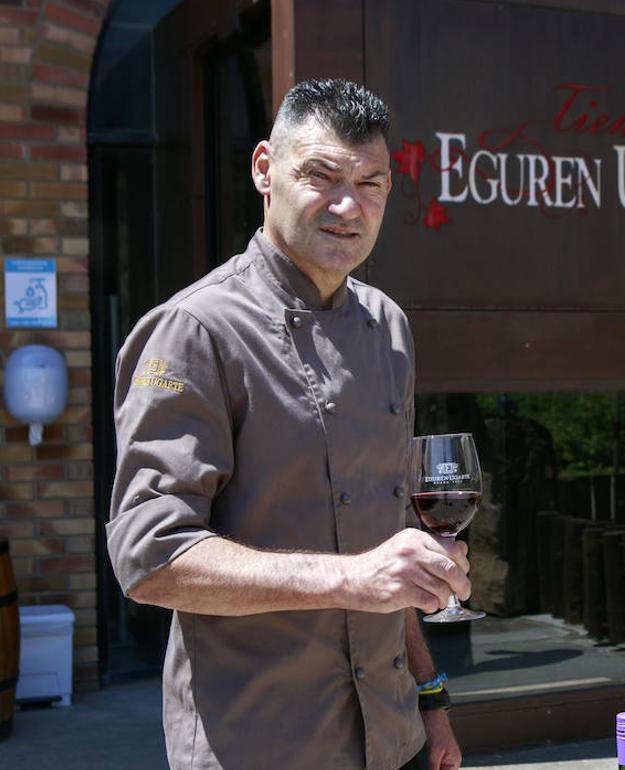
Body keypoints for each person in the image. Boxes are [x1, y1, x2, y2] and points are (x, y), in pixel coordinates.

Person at [107, 79, 469, 770]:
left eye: (370, 183)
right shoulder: (196, 330)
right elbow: (150, 560)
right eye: (321, 175)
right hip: (259, 745)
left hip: (391, 742)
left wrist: (431, 698)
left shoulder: (387, 327)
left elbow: (390, 539)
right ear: (265, 170)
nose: (347, 205)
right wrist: (351, 579)